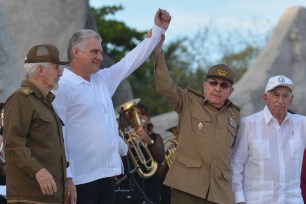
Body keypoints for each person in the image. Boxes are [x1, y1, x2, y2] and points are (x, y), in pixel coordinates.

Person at [52, 9, 171, 204]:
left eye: (100, 51)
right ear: (76, 52)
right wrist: (67, 177)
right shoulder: (62, 86)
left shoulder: (102, 79)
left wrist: (157, 30)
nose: (100, 57)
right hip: (80, 180)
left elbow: (130, 62)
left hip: (107, 177)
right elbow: (58, 136)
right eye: (94, 52)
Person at [152, 34, 240, 204]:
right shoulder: (188, 101)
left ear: (231, 91)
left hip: (220, 192)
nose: (217, 88)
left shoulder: (234, 114)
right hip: (187, 188)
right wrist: (157, 51)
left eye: (224, 85)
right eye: (213, 83)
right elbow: (165, 86)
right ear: (204, 85)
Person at [3, 44, 76, 203]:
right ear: (41, 70)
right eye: (56, 68)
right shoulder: (20, 100)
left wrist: (67, 182)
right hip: (30, 198)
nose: (60, 73)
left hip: (51, 198)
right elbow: (13, 144)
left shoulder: (45, 102)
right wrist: (38, 171)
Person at [231, 75, 306, 204]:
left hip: (293, 200)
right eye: (276, 95)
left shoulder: (302, 124)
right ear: (265, 98)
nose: (281, 100)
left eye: (285, 96)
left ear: (291, 99)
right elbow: (236, 164)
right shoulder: (248, 125)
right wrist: (239, 199)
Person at [135, 103, 165, 203]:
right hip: (134, 186)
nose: (139, 117)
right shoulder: (128, 141)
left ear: (148, 119)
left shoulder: (156, 137)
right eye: (135, 114)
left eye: (142, 114)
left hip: (152, 186)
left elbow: (161, 157)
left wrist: (148, 140)